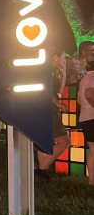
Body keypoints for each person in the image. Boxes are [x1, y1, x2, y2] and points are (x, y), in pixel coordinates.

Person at [35, 49, 71, 180]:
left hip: (46, 109)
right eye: (63, 57)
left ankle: (42, 169)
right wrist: (57, 103)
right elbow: (44, 90)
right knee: (64, 141)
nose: (64, 60)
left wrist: (64, 74)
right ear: (55, 57)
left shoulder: (51, 72)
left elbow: (58, 91)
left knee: (45, 140)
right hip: (47, 109)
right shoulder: (46, 72)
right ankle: (42, 169)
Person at [76, 60, 94, 187]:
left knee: (93, 151)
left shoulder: (84, 79)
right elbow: (89, 95)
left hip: (85, 119)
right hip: (92, 118)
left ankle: (92, 181)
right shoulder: (93, 78)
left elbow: (79, 100)